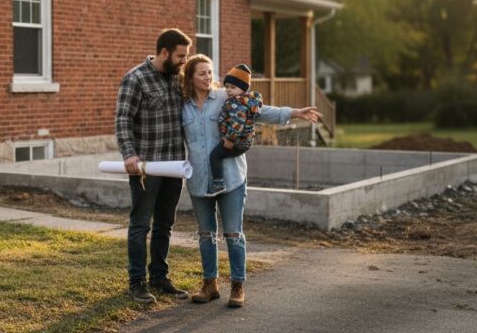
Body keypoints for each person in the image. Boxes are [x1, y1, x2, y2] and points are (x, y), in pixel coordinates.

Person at [180, 54, 322, 306]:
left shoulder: (226, 96)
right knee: (205, 235)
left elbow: (260, 111)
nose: (208, 77)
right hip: (199, 180)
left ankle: (237, 286)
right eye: (202, 73)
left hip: (232, 178)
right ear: (190, 76)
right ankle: (209, 284)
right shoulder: (183, 106)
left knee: (233, 234)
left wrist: (294, 112)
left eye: (210, 72)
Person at [115, 28, 192, 304]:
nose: (185, 61)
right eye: (181, 56)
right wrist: (129, 154)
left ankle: (159, 277)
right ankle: (137, 282)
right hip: (146, 168)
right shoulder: (135, 79)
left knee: (165, 225)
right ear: (164, 52)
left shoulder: (177, 79)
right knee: (140, 225)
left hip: (174, 166)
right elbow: (123, 119)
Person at [206, 64, 262, 197]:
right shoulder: (248, 102)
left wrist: (231, 139)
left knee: (215, 156)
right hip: (245, 141)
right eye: (227, 87)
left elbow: (238, 123)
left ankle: (218, 183)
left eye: (233, 87)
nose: (229, 90)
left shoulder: (237, 103)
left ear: (242, 89)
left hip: (236, 141)